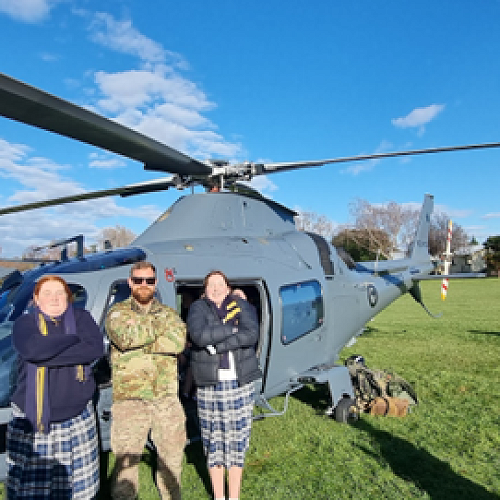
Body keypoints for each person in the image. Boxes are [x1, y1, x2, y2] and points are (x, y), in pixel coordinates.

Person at [7, 275, 104, 499]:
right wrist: (72, 339)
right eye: (47, 293)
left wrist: (45, 354)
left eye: (60, 292)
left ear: (68, 297)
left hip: (77, 419)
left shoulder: (81, 318)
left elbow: (94, 349)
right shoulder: (25, 323)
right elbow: (33, 350)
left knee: (80, 491)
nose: (54, 298)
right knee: (33, 492)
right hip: (35, 421)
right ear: (36, 299)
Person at [105, 261, 187, 500]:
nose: (144, 284)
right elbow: (125, 338)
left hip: (166, 399)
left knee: (172, 458)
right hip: (130, 401)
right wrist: (160, 330)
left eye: (149, 280)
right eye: (138, 280)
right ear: (130, 283)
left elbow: (178, 342)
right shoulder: (117, 313)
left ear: (155, 283)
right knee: (125, 464)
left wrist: (140, 336)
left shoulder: (169, 312)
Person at [187, 271, 261, 500]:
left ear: (228, 288)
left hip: (239, 383)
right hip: (210, 385)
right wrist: (233, 329)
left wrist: (218, 345)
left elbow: (252, 334)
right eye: (211, 285)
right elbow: (199, 336)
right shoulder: (198, 308)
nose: (216, 288)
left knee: (237, 442)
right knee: (214, 442)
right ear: (205, 290)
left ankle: (234, 496)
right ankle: (219, 496)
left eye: (220, 284)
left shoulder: (241, 305)